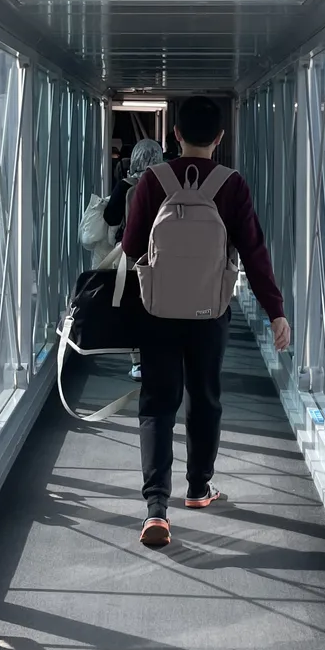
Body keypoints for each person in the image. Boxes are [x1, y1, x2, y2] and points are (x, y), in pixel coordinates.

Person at [121, 94, 291, 547]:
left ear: (174, 134)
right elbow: (253, 252)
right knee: (205, 396)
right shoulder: (231, 185)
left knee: (157, 402)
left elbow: (133, 247)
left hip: (155, 310)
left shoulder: (153, 181)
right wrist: (275, 310)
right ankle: (199, 489)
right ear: (219, 137)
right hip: (209, 311)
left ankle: (156, 508)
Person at [103, 137, 163, 379]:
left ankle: (137, 361)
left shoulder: (126, 185)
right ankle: (161, 354)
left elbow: (110, 217)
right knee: (160, 304)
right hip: (163, 254)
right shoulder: (167, 184)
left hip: (132, 254)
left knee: (134, 305)